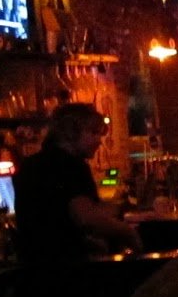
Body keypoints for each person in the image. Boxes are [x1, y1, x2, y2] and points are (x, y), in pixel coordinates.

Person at [15, 103, 140, 265]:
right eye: (93, 133)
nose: (99, 141)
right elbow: (86, 219)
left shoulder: (30, 164)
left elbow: (55, 219)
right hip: (67, 270)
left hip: (33, 267)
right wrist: (128, 233)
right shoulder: (71, 165)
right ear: (70, 132)